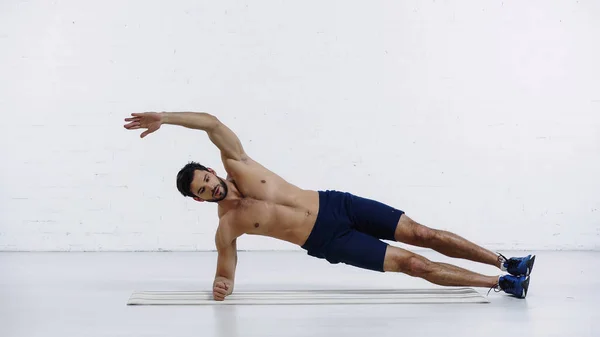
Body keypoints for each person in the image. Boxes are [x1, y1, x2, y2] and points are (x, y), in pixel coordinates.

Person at [124, 111, 535, 301]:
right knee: (415, 264)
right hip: (328, 240)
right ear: (198, 199)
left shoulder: (240, 164)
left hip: (338, 205)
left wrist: (165, 117)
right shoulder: (227, 226)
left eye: (206, 179)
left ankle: (505, 261)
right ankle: (501, 285)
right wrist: (222, 287)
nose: (210, 188)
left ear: (212, 170)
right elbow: (225, 271)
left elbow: (212, 124)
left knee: (423, 234)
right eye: (202, 190)